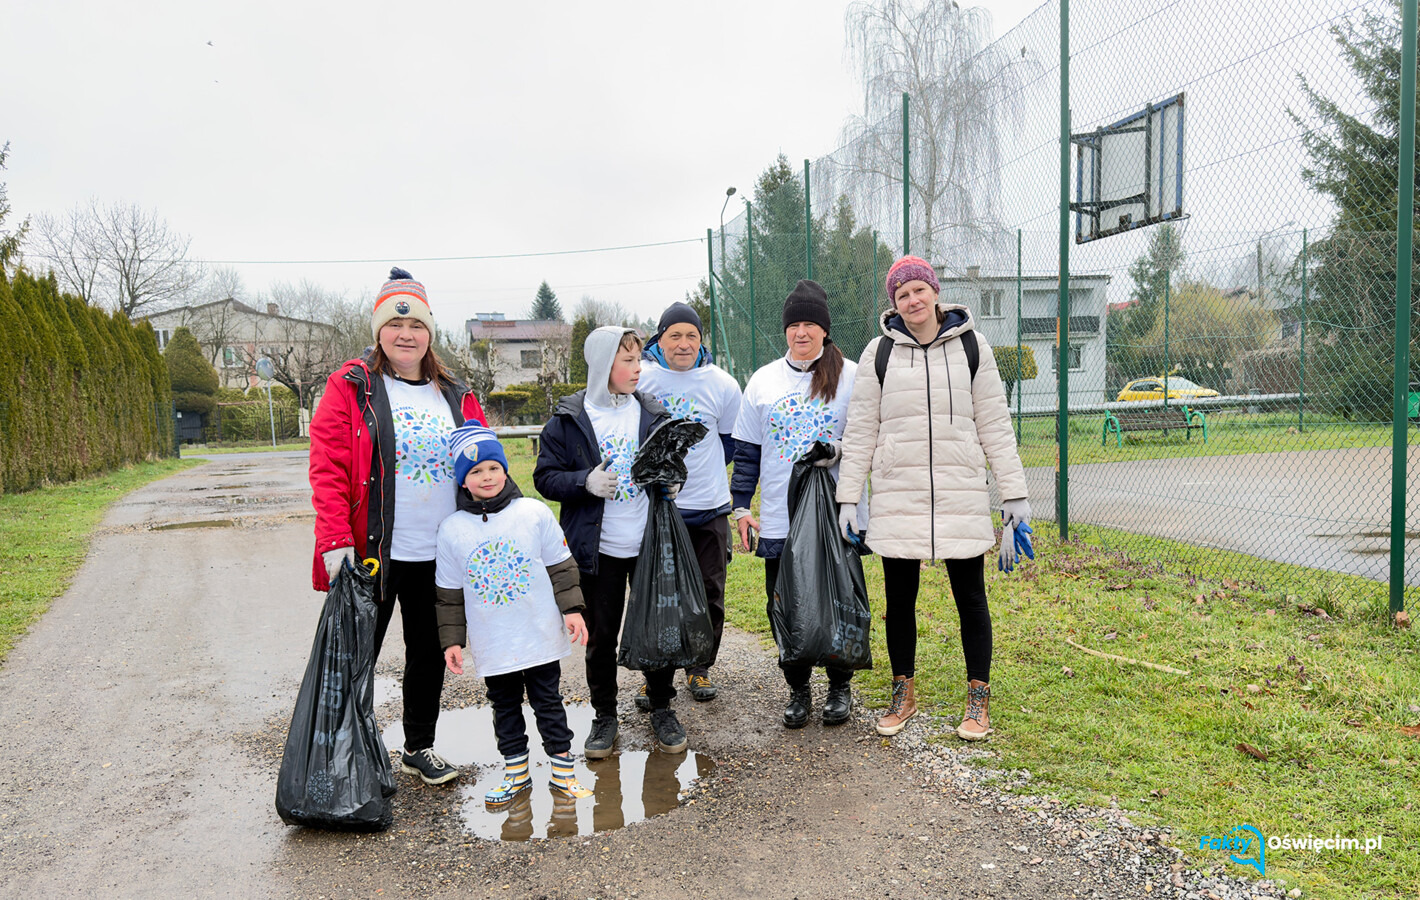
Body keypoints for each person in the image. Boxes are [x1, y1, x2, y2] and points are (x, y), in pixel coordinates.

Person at [835, 255, 1031, 741]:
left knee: (971, 598)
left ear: (936, 292)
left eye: (919, 290)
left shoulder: (972, 347)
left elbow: (994, 423)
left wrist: (1014, 493)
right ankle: (903, 691)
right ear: (894, 304)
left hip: (961, 491)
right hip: (898, 494)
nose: (912, 300)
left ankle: (978, 699)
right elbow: (860, 431)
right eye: (902, 295)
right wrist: (847, 497)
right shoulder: (878, 353)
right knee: (899, 601)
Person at [308, 267, 486, 786]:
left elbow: (484, 462)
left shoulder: (453, 391)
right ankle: (344, 752)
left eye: (416, 326)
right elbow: (329, 464)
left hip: (440, 552)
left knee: (428, 653)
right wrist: (334, 538)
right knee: (355, 653)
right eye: (394, 324)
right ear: (379, 331)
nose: (405, 334)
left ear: (430, 333)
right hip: (374, 550)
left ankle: (418, 746)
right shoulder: (353, 387)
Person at [533, 326, 687, 756]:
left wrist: (670, 483)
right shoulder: (569, 420)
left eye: (639, 360)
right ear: (604, 365)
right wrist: (585, 481)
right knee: (602, 636)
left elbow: (673, 462)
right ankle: (605, 716)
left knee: (658, 629)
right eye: (628, 361)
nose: (638, 369)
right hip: (596, 550)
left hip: (649, 544)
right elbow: (544, 477)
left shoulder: (651, 412)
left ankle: (661, 708)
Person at [434, 423, 594, 806]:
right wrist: (452, 640)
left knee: (548, 703)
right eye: (474, 472)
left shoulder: (533, 513)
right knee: (504, 706)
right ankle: (516, 774)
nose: (486, 477)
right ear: (462, 481)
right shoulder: (452, 530)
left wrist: (572, 610)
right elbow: (449, 594)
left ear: (505, 469)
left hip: (538, 632)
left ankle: (563, 774)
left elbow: (561, 567)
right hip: (495, 641)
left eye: (492, 467)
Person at [730, 280, 865, 729]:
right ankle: (798, 688)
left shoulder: (852, 376)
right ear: (785, 330)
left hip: (835, 515)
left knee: (837, 596)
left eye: (810, 324)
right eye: (794, 324)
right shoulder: (764, 380)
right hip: (781, 518)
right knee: (784, 602)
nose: (801, 332)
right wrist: (741, 507)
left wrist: (839, 450)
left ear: (825, 330)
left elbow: (870, 436)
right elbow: (747, 451)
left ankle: (840, 685)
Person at [634, 301, 743, 706]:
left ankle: (700, 667)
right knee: (658, 595)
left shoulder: (722, 384)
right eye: (674, 335)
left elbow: (730, 443)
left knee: (710, 591)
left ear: (701, 340)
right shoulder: (641, 379)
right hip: (659, 511)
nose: (683, 344)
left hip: (709, 507)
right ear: (659, 338)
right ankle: (655, 674)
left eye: (691, 336)